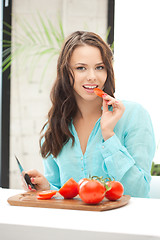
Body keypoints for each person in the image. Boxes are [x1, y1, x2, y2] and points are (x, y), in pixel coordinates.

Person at [26, 31, 156, 198]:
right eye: (81, 68)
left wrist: (109, 136)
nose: (92, 77)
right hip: (71, 223)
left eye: (99, 67)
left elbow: (138, 191)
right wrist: (45, 187)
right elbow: (62, 192)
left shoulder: (134, 116)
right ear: (66, 73)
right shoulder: (55, 125)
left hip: (122, 223)